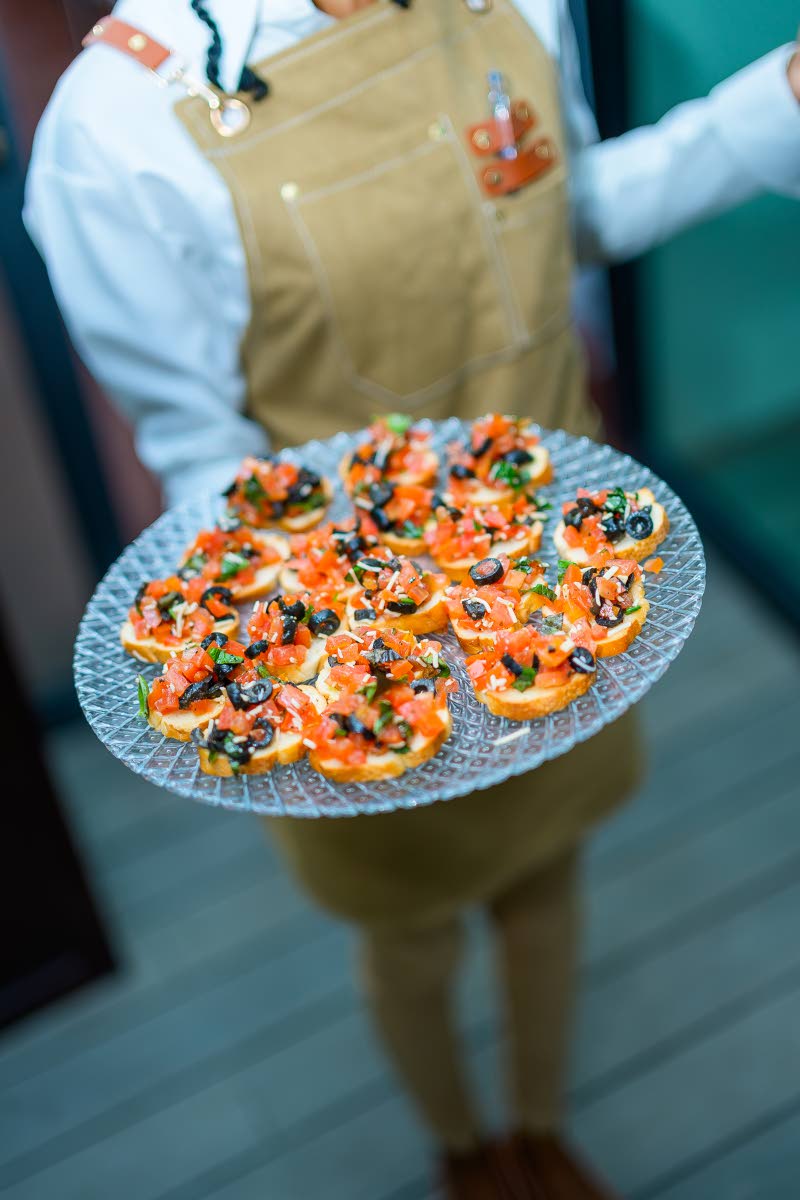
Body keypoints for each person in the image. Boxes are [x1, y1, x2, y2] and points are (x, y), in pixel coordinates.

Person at [24, 3, 800, 1197]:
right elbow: (199, 452)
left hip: (558, 595)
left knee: (551, 873)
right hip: (351, 651)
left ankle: (539, 1126)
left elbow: (564, 213)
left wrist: (765, 115)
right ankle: (459, 1147)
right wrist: (323, 666)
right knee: (410, 931)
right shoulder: (118, 120)